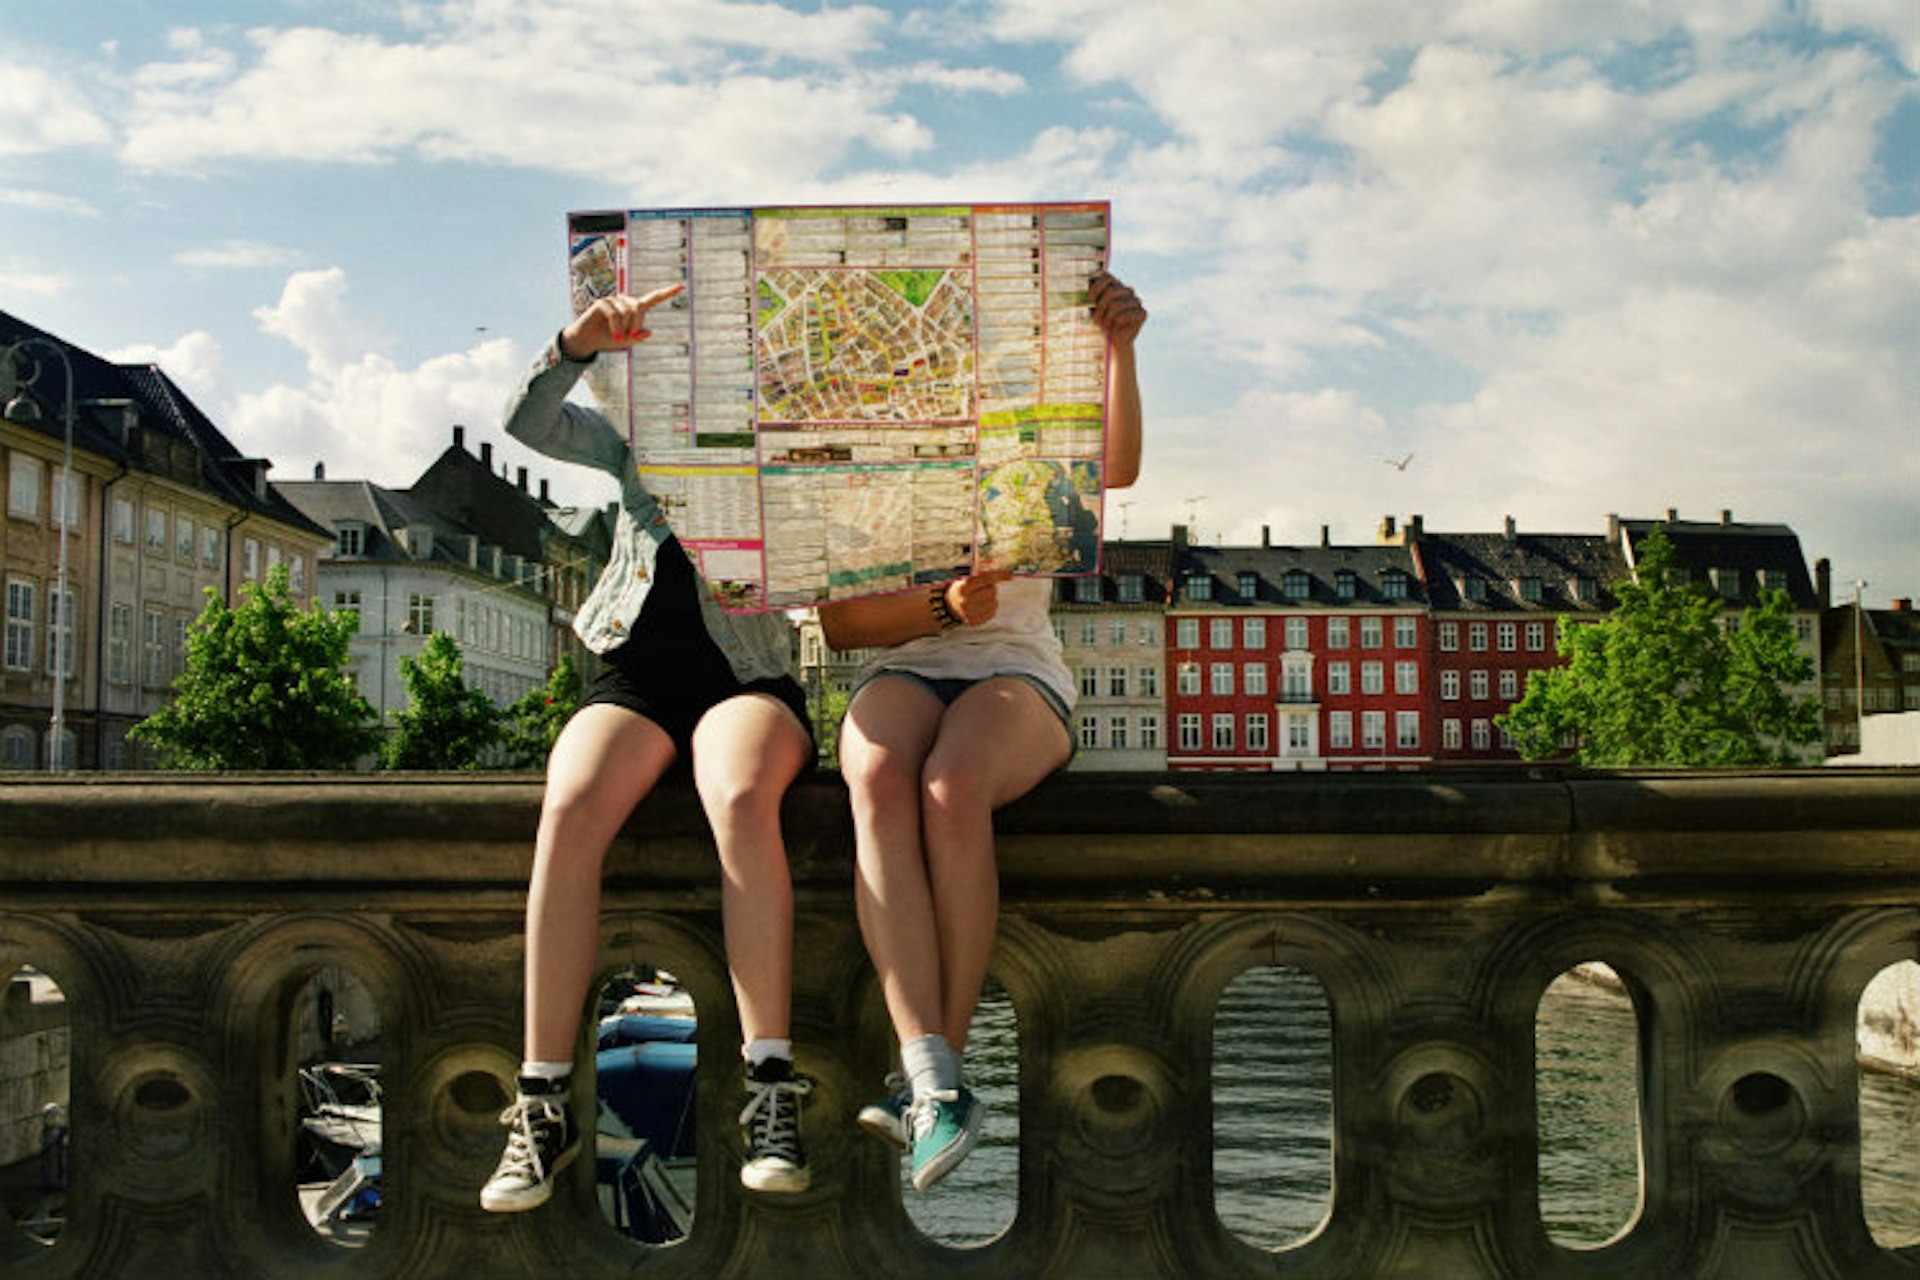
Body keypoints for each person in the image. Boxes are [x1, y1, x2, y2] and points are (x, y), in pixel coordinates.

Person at [481, 283, 817, 1213]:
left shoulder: (789, 448)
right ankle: (542, 1100)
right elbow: (526, 421)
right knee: (571, 804)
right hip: (630, 669)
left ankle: (770, 1086)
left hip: (745, 673)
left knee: (739, 797)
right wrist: (574, 343)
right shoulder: (633, 439)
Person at [819, 270, 1147, 1192]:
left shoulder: (1032, 445)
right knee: (878, 777)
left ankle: (934, 1075)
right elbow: (843, 628)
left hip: (1017, 673)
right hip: (907, 663)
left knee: (949, 788)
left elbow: (1114, 466)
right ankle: (936, 1084)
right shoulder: (870, 463)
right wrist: (940, 605)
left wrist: (1120, 348)